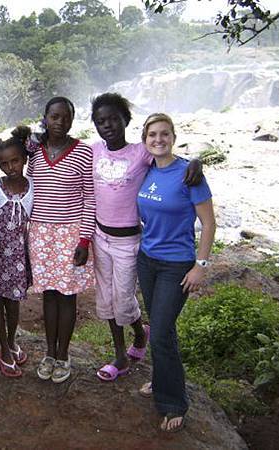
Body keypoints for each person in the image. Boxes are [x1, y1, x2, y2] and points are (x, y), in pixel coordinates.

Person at [90, 93, 203, 382]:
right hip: (100, 238)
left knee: (123, 298)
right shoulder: (93, 151)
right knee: (106, 298)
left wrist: (196, 162)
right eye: (101, 121)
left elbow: (168, 157)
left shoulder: (140, 152)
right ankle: (120, 355)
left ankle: (140, 336)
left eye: (114, 119)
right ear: (95, 125)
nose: (108, 125)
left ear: (126, 121)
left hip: (129, 242)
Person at [136, 113, 216, 432]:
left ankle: (173, 402)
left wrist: (201, 265)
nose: (158, 139)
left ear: (173, 137)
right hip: (147, 259)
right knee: (159, 326)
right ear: (145, 140)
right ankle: (160, 380)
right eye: (152, 135)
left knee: (162, 332)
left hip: (176, 264)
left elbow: (208, 223)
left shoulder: (190, 174)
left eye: (164, 134)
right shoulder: (146, 170)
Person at [27, 97, 96, 384]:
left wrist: (85, 241)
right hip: (40, 233)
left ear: (72, 120)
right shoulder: (33, 152)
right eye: (54, 117)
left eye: (65, 118)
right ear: (45, 118)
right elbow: (28, 189)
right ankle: (49, 352)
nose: (60, 122)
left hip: (70, 234)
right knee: (49, 295)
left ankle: (63, 355)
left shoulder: (83, 153)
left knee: (67, 296)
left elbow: (90, 198)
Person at [0, 127, 34, 377]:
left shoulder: (33, 187)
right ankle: (3, 347)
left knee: (13, 303)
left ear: (24, 159)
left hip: (16, 258)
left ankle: (12, 340)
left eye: (15, 160)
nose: (11, 167)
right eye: (4, 163)